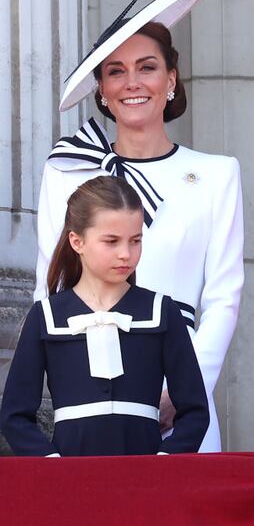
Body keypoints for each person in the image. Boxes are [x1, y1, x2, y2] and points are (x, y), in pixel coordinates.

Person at [34, 0, 244, 453]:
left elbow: (223, 299)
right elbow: (49, 288)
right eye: (116, 72)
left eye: (147, 67)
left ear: (171, 79)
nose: (132, 82)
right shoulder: (66, 171)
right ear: (102, 90)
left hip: (181, 392)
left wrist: (186, 391)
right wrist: (77, 387)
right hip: (90, 395)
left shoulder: (215, 175)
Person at [1, 176, 208, 456]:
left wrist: (165, 462)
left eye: (135, 241)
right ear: (77, 241)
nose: (126, 254)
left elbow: (195, 411)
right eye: (111, 241)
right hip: (69, 479)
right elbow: (14, 415)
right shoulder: (46, 316)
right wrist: (50, 464)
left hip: (147, 479)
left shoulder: (162, 312)